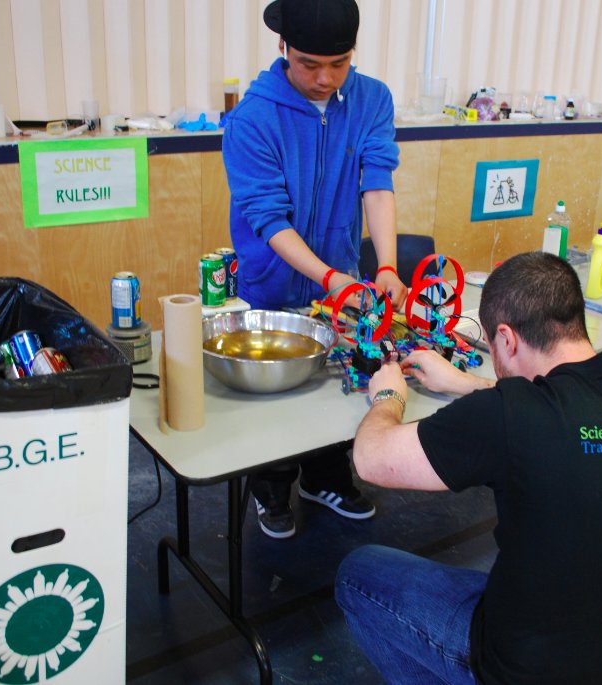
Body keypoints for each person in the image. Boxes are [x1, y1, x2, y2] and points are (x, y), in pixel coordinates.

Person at [336, 252, 602, 684]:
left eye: (493, 350)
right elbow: (559, 409)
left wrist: (388, 396)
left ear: (507, 340)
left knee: (359, 573)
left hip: (527, 673)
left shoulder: (509, 418)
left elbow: (371, 458)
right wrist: (467, 383)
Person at [222, 0, 408, 539]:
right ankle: (272, 487)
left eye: (339, 63)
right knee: (275, 393)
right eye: (308, 64)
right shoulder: (253, 118)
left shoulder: (372, 100)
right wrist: (328, 278)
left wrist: (388, 266)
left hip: (343, 276)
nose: (325, 78)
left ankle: (324, 477)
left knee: (339, 383)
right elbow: (267, 217)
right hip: (274, 282)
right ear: (283, 49)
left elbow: (378, 182)